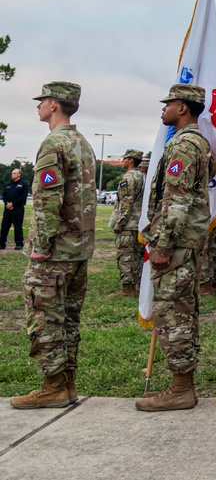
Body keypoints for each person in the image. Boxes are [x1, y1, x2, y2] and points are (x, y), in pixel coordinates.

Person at [11, 82, 96, 409]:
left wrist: (42, 245)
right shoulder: (82, 143)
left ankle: (52, 387)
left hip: (56, 252)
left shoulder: (54, 143)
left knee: (46, 317)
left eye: (42, 100)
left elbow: (48, 200)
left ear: (55, 105)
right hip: (79, 250)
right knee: (69, 319)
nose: (38, 105)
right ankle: (67, 384)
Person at [135, 84, 215, 412]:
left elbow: (177, 201)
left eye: (169, 103)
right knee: (181, 310)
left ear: (183, 108)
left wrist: (163, 245)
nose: (164, 108)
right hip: (185, 242)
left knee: (173, 314)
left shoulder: (183, 145)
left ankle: (181, 388)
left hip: (177, 243)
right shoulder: (193, 142)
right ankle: (182, 384)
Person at [112, 149, 145, 296]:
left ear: (131, 160)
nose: (122, 161)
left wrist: (119, 223)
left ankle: (127, 288)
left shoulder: (129, 178)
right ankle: (137, 285)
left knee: (125, 257)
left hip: (129, 224)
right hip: (139, 223)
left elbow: (126, 202)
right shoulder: (142, 176)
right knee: (137, 257)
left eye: (124, 158)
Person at [0, 167, 29, 250]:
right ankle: (2, 243)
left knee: (17, 226)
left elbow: (23, 197)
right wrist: (7, 203)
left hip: (17, 209)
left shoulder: (23, 185)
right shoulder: (9, 184)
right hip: (7, 209)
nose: (12, 174)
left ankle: (19, 243)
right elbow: (4, 195)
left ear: (19, 174)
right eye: (12, 173)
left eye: (14, 173)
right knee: (4, 226)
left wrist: (13, 204)